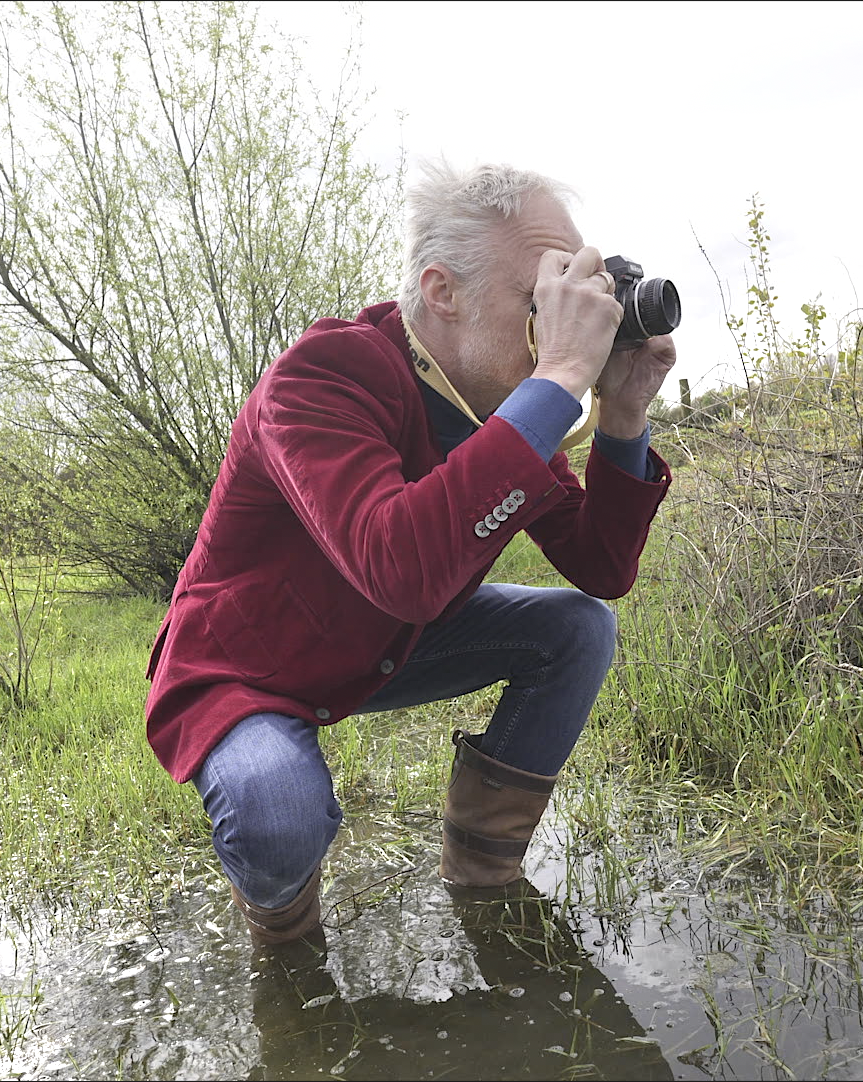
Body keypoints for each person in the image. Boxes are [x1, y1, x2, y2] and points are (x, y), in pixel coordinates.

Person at [143, 160, 676, 945]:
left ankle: (483, 875)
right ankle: (286, 942)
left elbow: (602, 567)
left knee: (579, 625)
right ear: (442, 292)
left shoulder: (495, 405)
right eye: (545, 297)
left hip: (386, 644)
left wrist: (623, 414)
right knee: (277, 806)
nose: (570, 319)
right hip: (251, 668)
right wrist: (561, 374)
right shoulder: (323, 375)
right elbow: (402, 570)